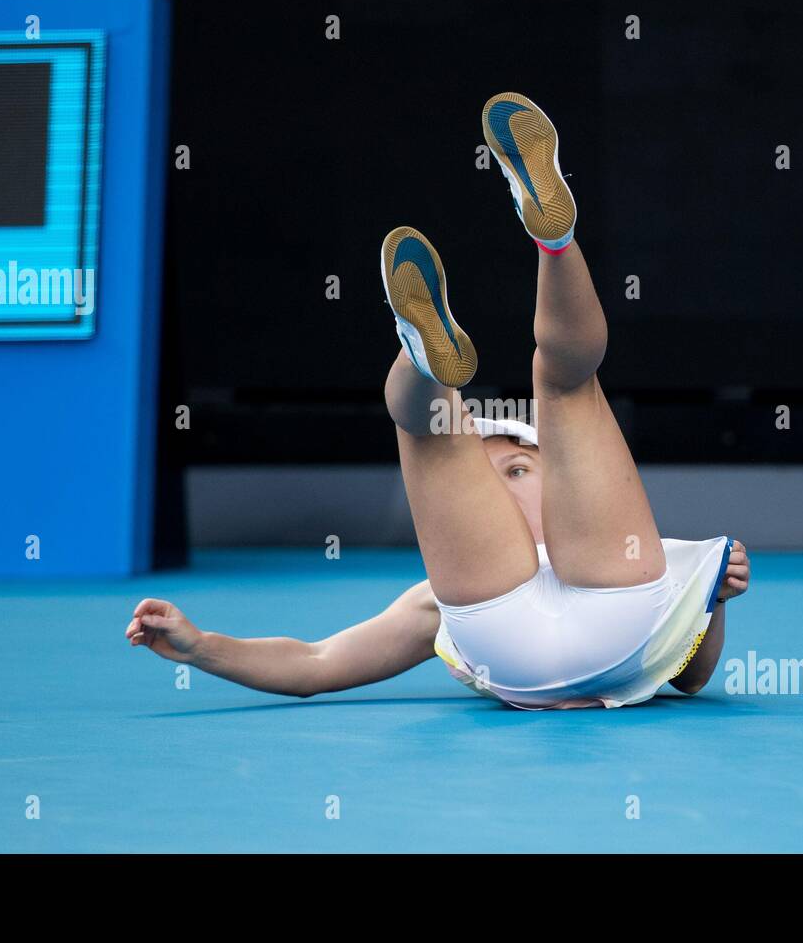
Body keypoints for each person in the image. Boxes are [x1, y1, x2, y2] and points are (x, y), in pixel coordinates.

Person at [126, 93, 750, 709]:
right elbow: (318, 662)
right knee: (551, 391)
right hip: (530, 617)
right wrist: (201, 646)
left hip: (541, 625)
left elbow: (690, 676)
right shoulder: (443, 597)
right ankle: (441, 341)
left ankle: (535, 254)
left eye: (517, 468)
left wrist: (712, 603)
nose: (497, 487)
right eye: (487, 473)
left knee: (479, 415)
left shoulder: (648, 552)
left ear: (560, 475)